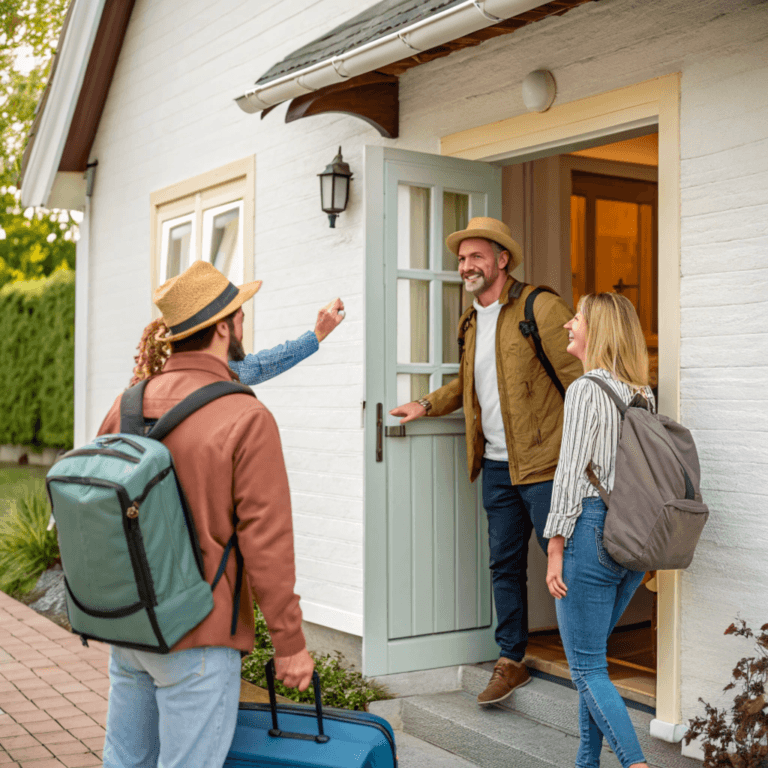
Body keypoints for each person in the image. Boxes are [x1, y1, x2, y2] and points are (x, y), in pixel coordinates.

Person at [98, 260, 314, 768]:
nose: (243, 326)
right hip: (199, 634)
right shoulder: (245, 416)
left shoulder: (126, 403)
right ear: (222, 327)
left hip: (129, 629)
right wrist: (290, 643)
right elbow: (267, 541)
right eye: (240, 315)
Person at [390, 216, 582, 706]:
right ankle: (511, 660)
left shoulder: (540, 305)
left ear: (502, 260)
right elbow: (469, 384)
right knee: (504, 566)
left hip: (546, 465)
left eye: (476, 256)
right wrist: (427, 404)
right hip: (496, 466)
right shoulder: (471, 320)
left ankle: (587, 665)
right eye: (461, 258)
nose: (466, 265)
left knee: (570, 566)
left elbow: (580, 377)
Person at [544, 292, 654, 768]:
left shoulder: (587, 388)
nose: (569, 324)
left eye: (578, 317)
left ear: (598, 329)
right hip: (632, 541)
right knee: (595, 665)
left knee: (586, 667)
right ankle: (586, 761)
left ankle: (636, 764)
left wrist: (553, 546)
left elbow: (569, 474)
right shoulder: (642, 394)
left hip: (590, 534)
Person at [130, 297, 345, 386]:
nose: (242, 332)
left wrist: (316, 335)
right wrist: (317, 335)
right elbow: (258, 367)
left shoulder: (132, 401)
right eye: (241, 320)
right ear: (223, 329)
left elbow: (257, 366)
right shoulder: (233, 404)